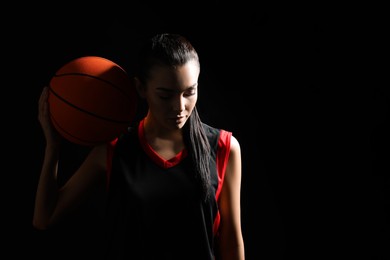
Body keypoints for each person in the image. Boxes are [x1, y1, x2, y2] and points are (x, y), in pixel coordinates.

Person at [33, 33, 245, 260]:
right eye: (165, 95)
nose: (180, 106)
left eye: (189, 92)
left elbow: (231, 242)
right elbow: (45, 218)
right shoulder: (114, 149)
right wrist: (53, 148)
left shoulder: (224, 147)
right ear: (141, 88)